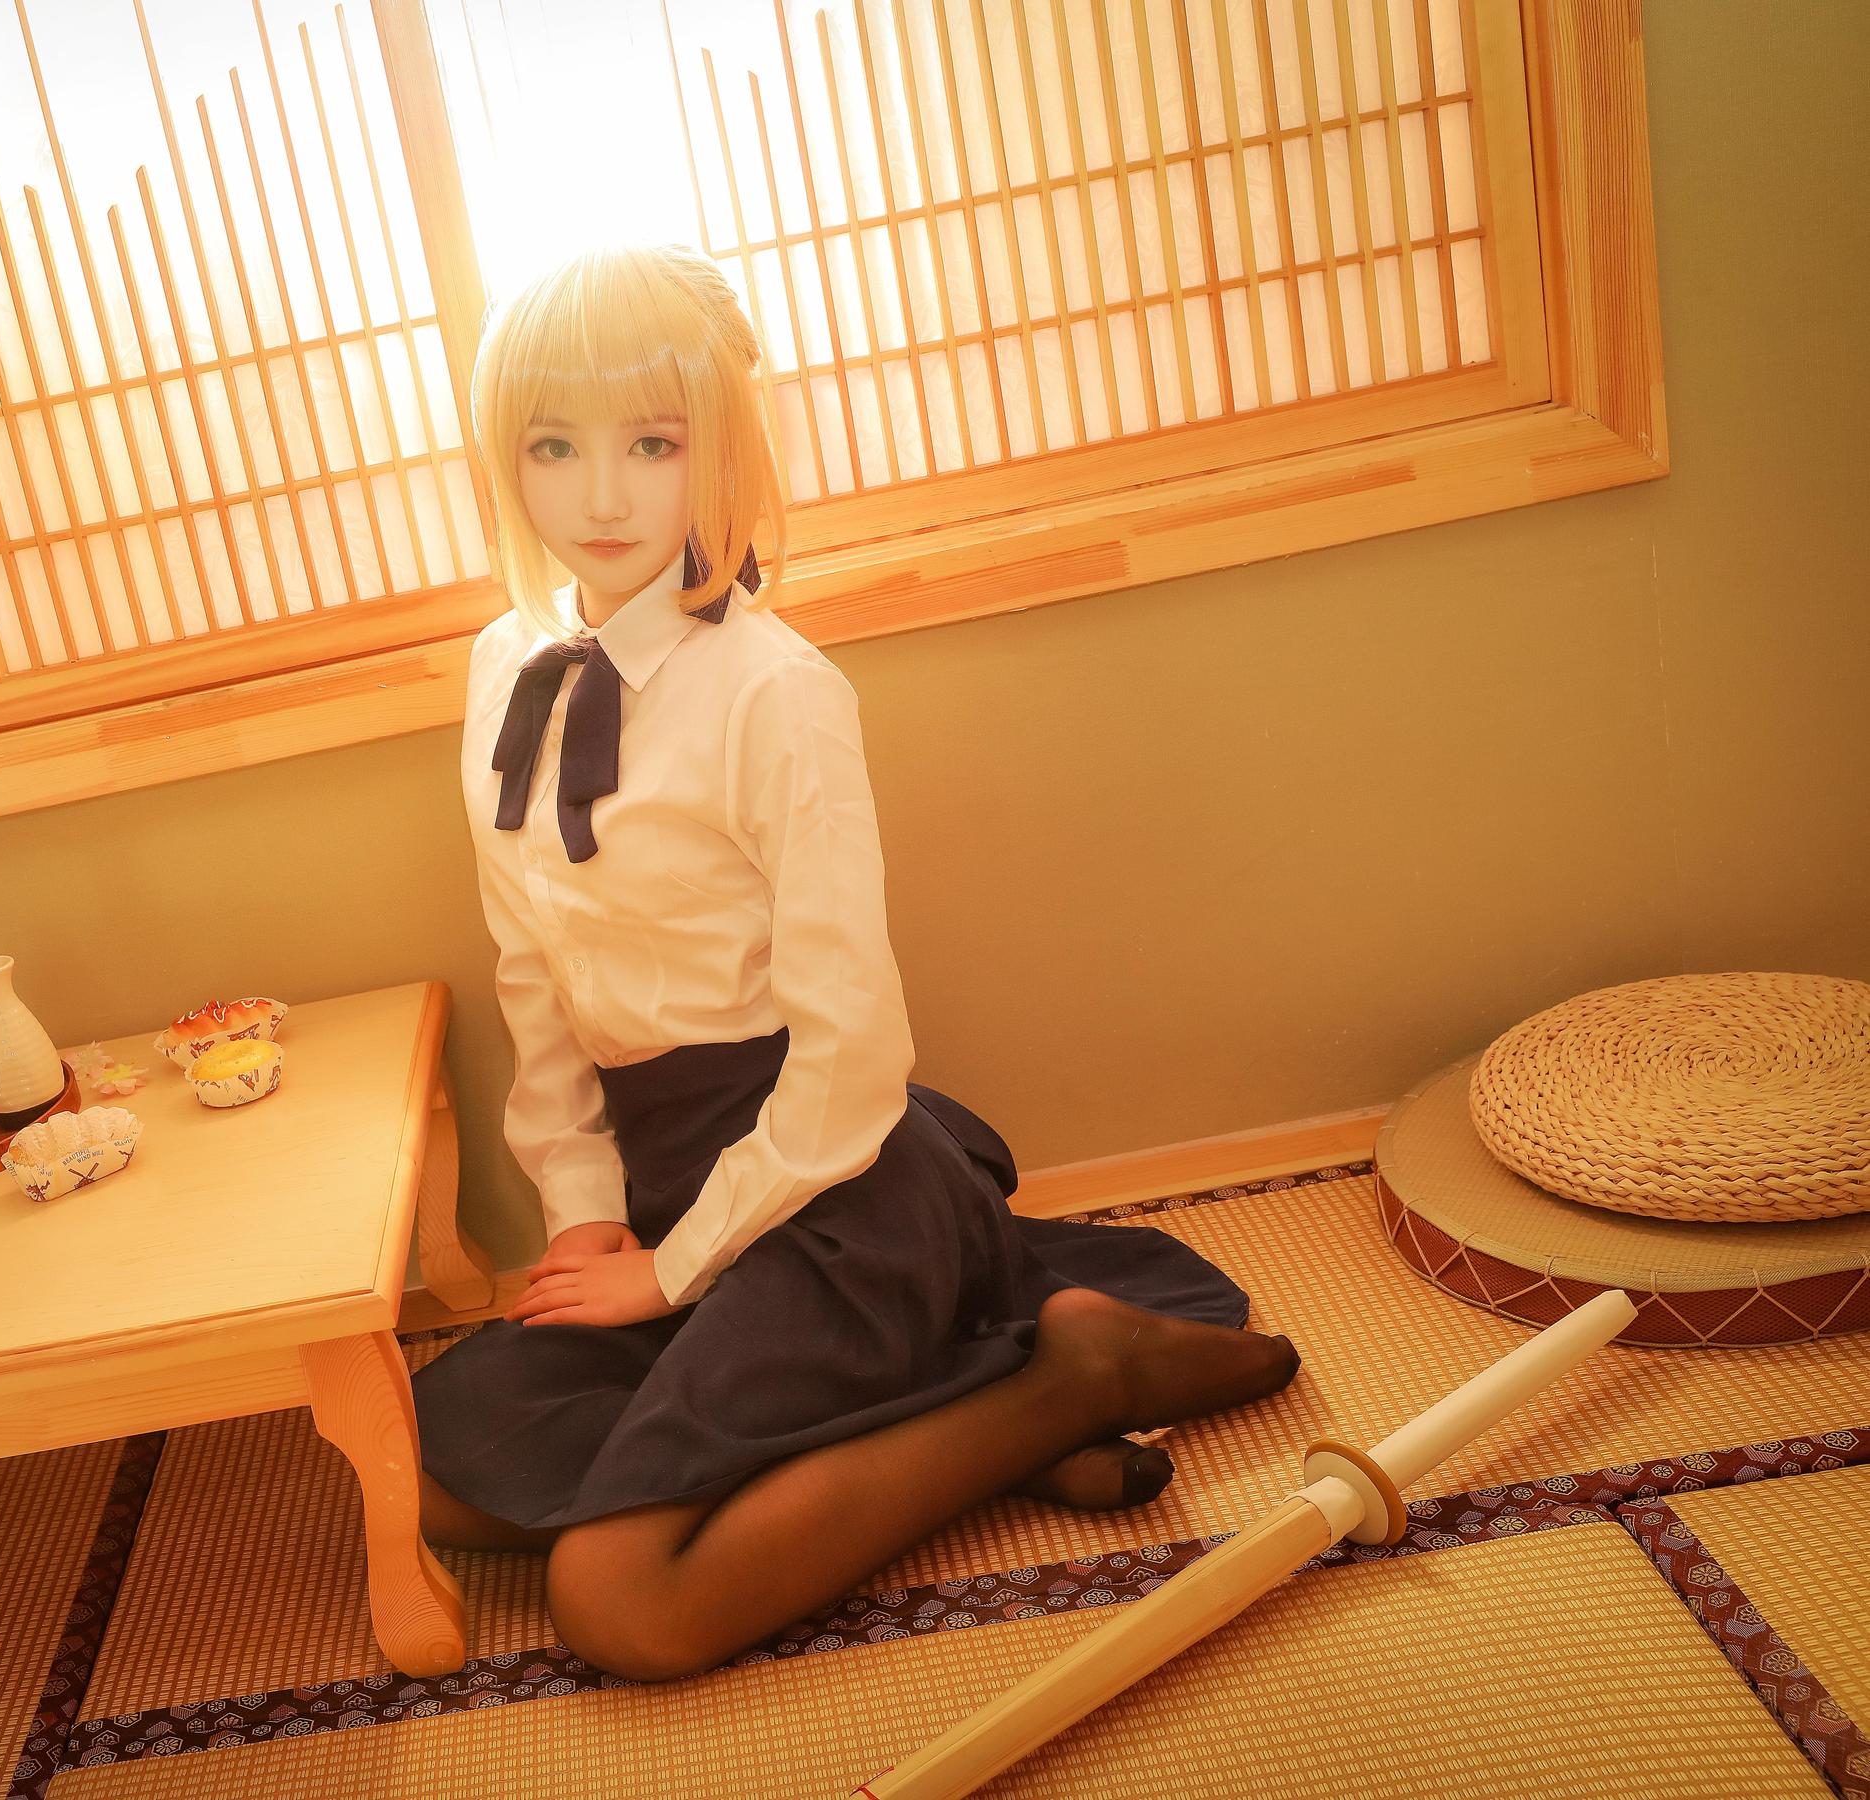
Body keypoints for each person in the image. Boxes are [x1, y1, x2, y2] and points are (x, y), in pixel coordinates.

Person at [409, 244, 1300, 1684]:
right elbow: (533, 964)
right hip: (667, 1178)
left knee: (622, 1602)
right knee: (433, 1473)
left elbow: (852, 1060)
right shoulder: (503, 665)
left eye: (653, 444)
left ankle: (1074, 1376)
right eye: (554, 447)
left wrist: (675, 1275)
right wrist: (587, 1216)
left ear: (722, 449)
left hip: (831, 1184)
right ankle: (966, 1424)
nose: (603, 498)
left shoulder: (777, 692)